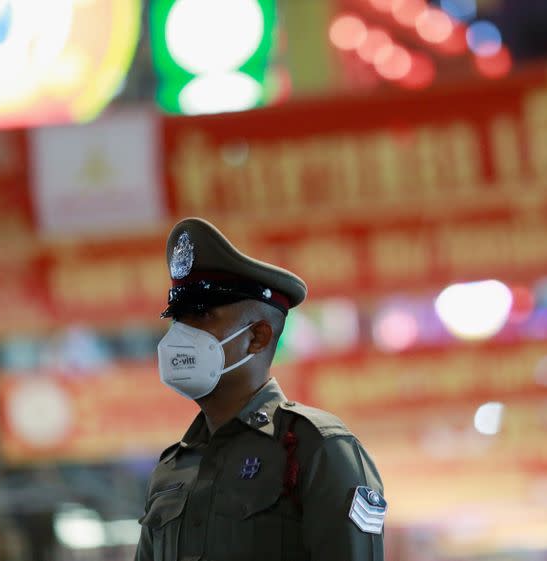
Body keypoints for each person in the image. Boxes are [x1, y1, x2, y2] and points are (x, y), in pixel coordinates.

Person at [135, 217, 386, 561]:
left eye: (201, 315)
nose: (180, 334)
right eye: (178, 319)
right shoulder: (173, 468)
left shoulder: (315, 449)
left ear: (257, 337)